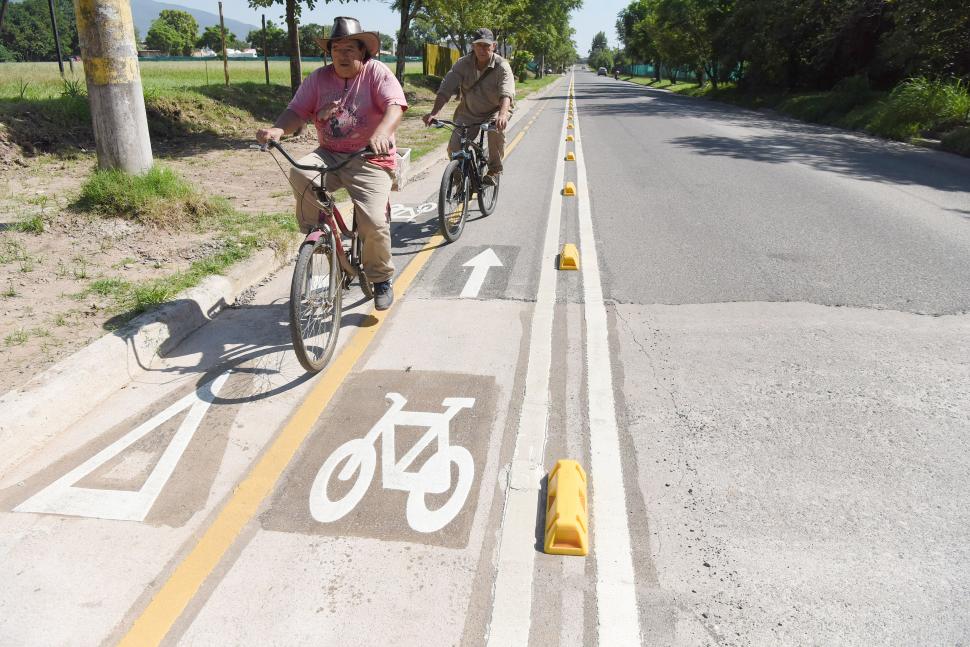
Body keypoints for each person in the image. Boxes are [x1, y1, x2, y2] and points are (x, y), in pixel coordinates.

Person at [256, 17, 407, 311]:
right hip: (330, 153)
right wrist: (277, 130)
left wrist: (381, 133)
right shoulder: (318, 79)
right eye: (337, 48)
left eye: (350, 48)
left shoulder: (376, 72)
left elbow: (395, 106)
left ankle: (380, 279)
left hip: (369, 157)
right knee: (299, 171)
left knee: (374, 221)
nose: (343, 54)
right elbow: (296, 111)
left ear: (363, 52)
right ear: (330, 52)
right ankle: (320, 233)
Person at [422, 28, 514, 186]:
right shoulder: (463, 64)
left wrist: (503, 115)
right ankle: (460, 178)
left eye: (486, 46)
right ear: (473, 46)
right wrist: (434, 113)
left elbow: (506, 93)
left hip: (495, 110)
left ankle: (494, 170)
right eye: (479, 45)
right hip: (469, 112)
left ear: (493, 46)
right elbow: (445, 89)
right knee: (454, 147)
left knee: (494, 131)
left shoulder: (502, 66)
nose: (482, 49)